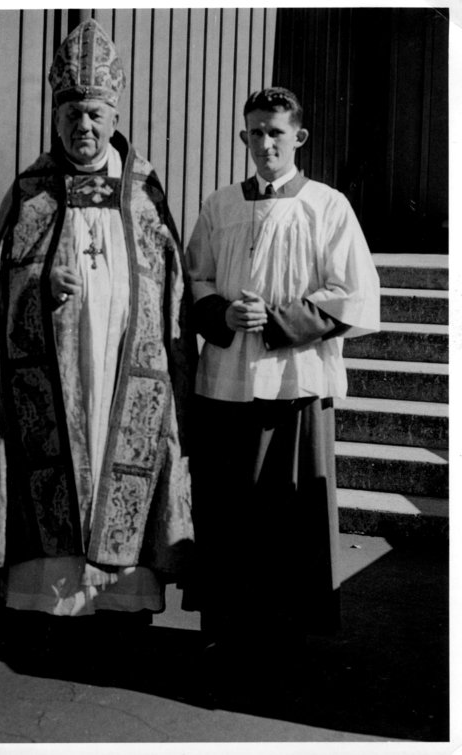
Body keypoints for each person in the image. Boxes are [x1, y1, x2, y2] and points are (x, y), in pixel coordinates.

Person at [0, 20, 195, 647]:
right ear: (55, 118)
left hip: (125, 368)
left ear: (114, 116)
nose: (83, 126)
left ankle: (125, 601)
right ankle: (46, 603)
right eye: (71, 114)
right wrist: (35, 287)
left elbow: (171, 290)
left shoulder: (144, 192)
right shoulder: (32, 190)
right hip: (51, 371)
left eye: (94, 114)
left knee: (124, 454)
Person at [185, 87, 380, 671]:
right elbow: (194, 278)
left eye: (275, 132)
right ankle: (225, 629)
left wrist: (273, 321)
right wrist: (221, 313)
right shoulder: (220, 204)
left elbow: (354, 293)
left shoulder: (327, 205)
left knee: (288, 513)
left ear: (299, 137)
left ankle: (285, 637)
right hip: (227, 379)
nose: (264, 143)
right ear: (243, 137)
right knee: (227, 508)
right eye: (254, 132)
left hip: (295, 379)